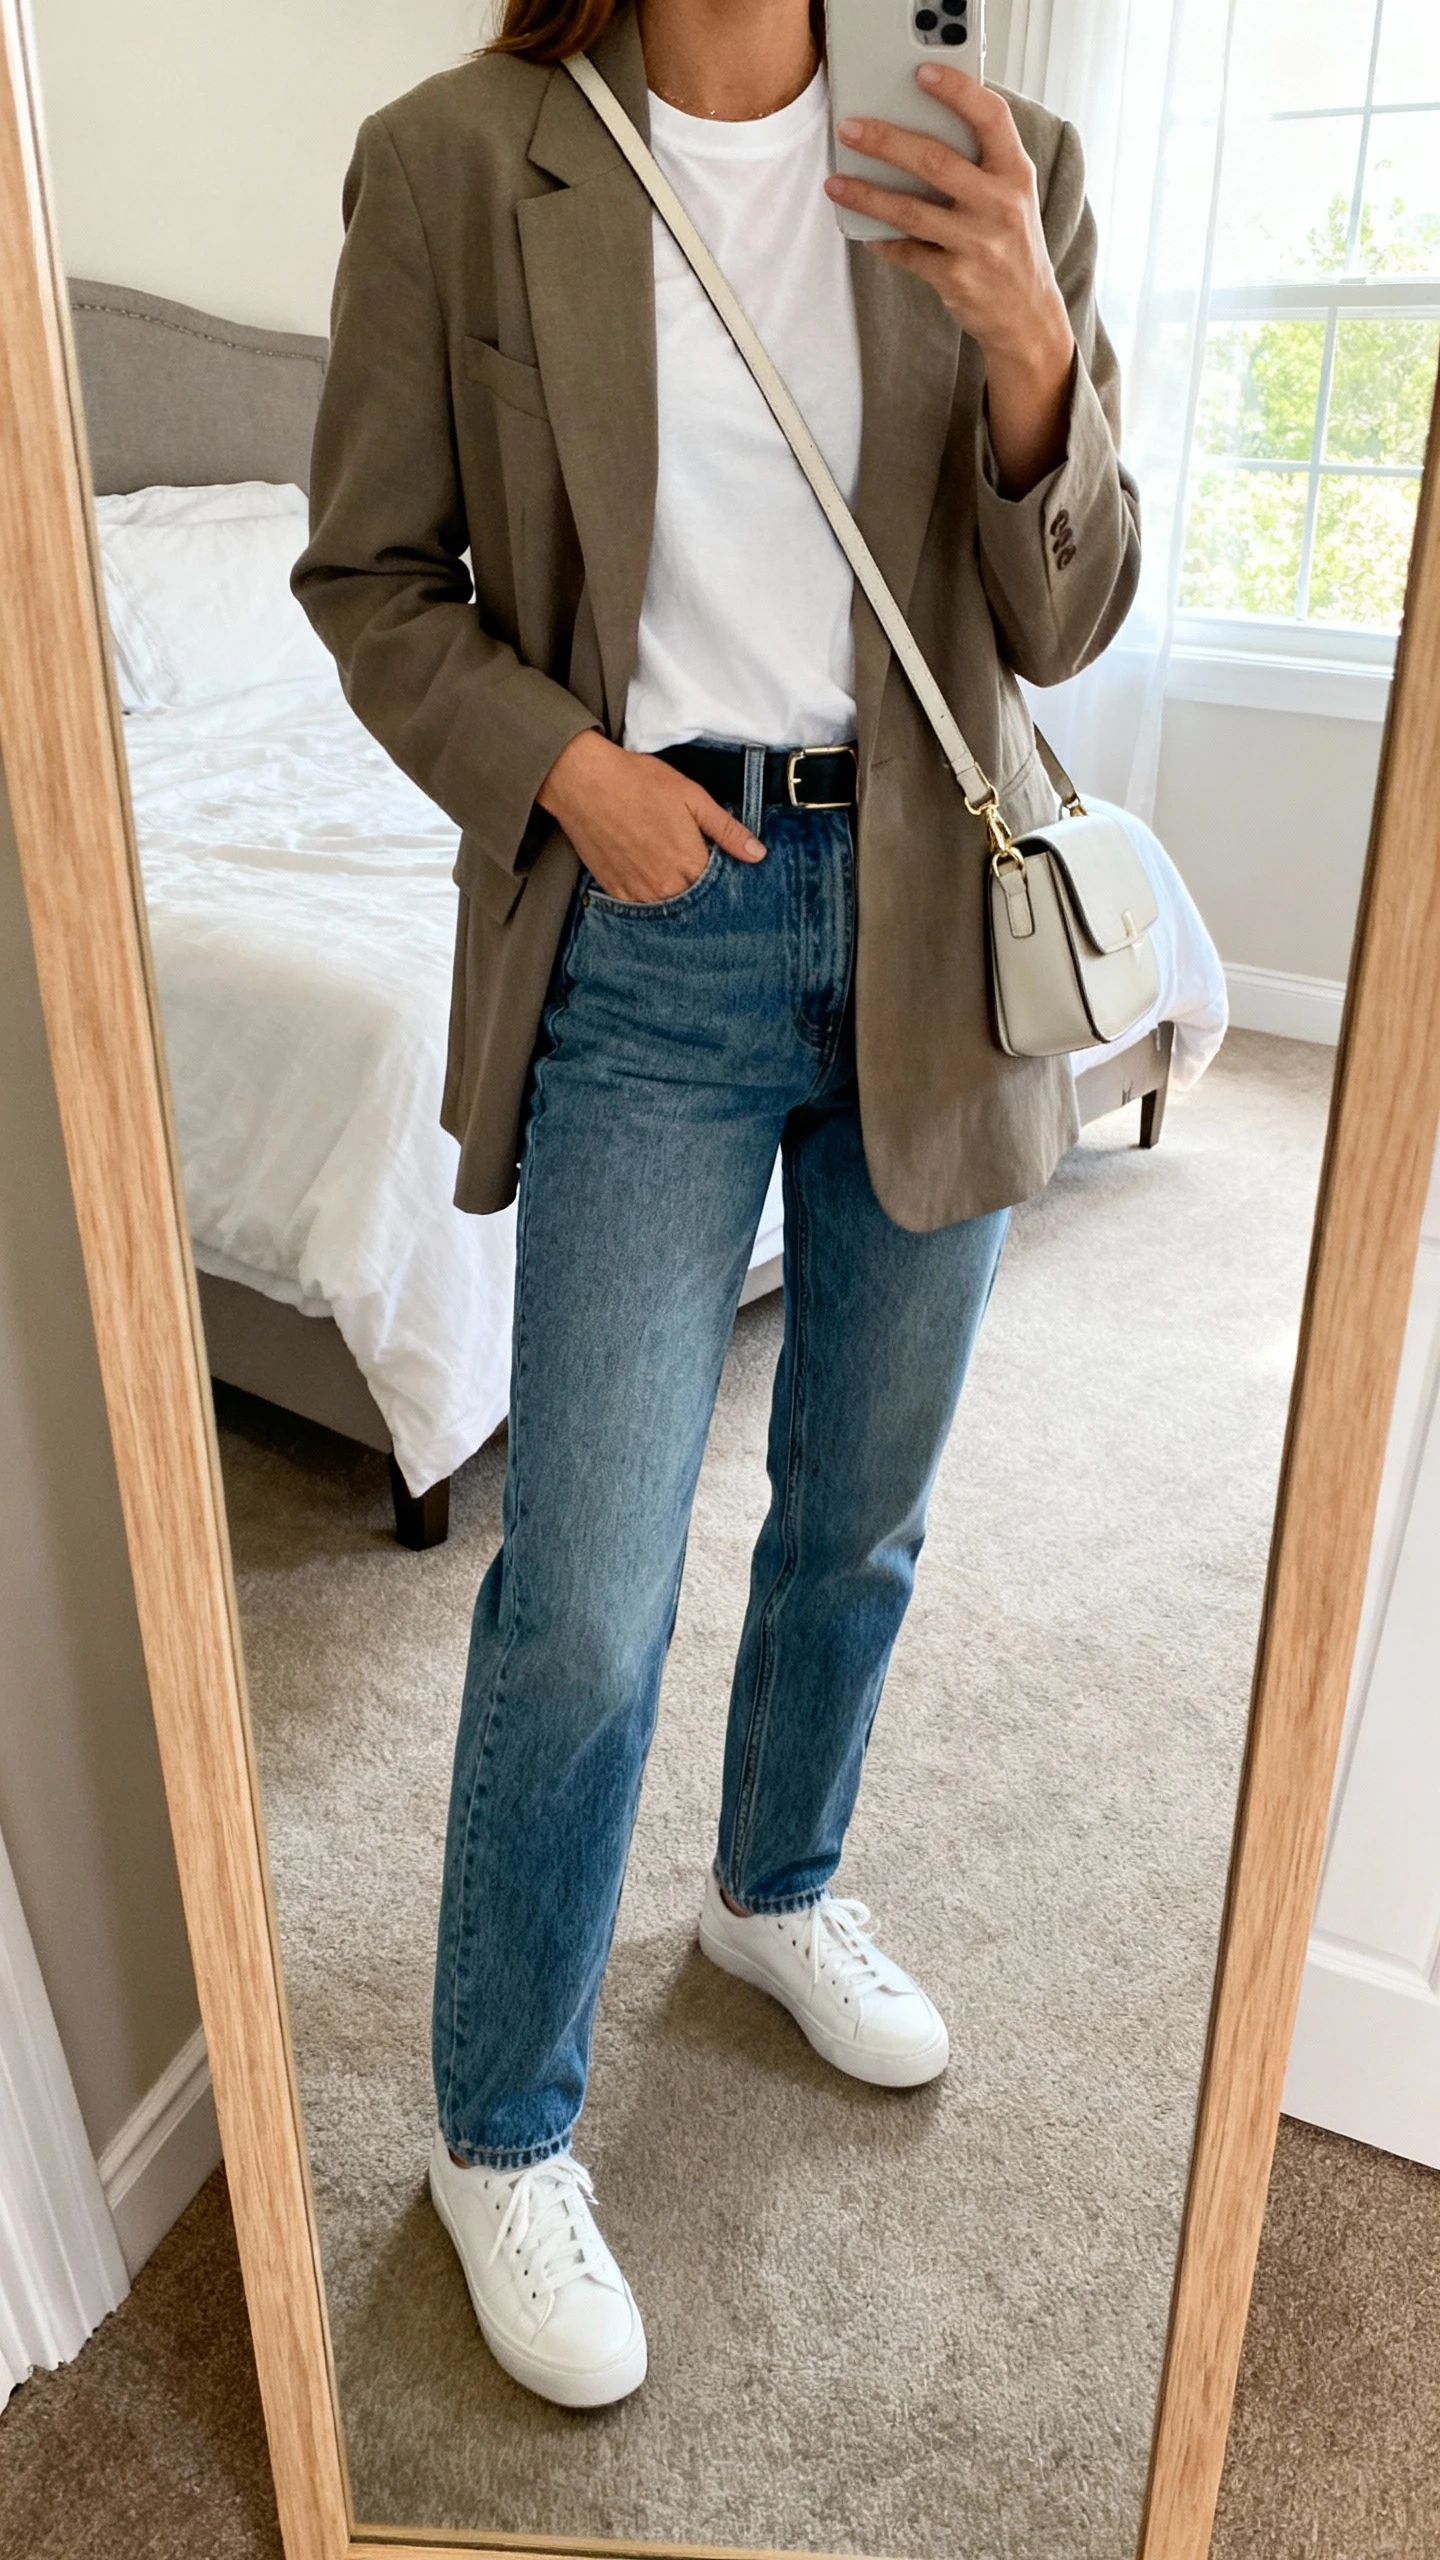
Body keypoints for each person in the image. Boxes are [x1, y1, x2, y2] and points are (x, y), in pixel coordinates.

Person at [294, 0, 1139, 2412]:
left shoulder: (1001, 158)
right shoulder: (457, 158)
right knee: (581, 1582)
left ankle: (773, 1889)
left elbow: (1065, 621)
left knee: (858, 1509)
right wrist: (562, 766)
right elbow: (371, 576)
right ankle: (499, 2120)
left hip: (934, 935)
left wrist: (1031, 365)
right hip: (647, 924)